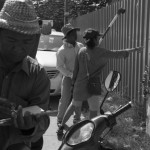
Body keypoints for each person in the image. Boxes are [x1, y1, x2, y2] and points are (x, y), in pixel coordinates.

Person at [57, 28, 143, 135]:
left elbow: (76, 70)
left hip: (79, 84)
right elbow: (117, 53)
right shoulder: (100, 52)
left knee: (73, 105)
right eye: (98, 37)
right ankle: (90, 133)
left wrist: (73, 84)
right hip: (93, 84)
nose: (99, 39)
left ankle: (60, 127)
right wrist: (135, 49)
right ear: (94, 40)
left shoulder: (81, 50)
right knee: (93, 111)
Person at [0, 0, 50, 149]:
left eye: (27, 41)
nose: (19, 48)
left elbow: (43, 119)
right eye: (11, 39)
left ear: (34, 41)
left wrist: (28, 128)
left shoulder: (37, 74)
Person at [56, 23, 84, 129]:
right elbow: (59, 66)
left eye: (75, 32)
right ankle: (60, 119)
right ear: (67, 36)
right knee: (65, 99)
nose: (75, 35)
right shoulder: (61, 51)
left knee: (78, 99)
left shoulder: (80, 46)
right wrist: (70, 74)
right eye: (72, 33)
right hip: (68, 78)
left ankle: (77, 120)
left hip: (80, 78)